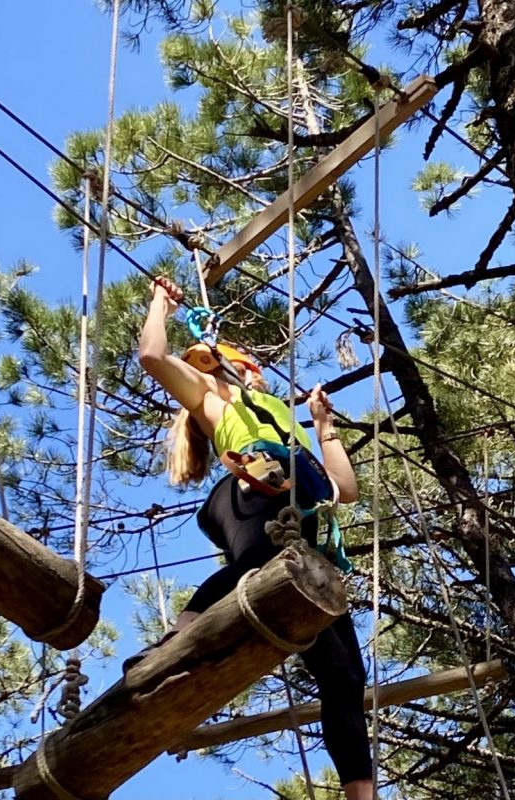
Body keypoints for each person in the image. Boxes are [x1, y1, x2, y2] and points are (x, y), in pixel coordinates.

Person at [131, 276, 375, 800]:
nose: (254, 371)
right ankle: (177, 638)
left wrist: (323, 427)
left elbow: (344, 491)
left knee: (346, 677)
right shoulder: (214, 399)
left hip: (302, 514)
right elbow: (152, 355)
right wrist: (161, 305)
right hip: (249, 486)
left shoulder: (290, 427)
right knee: (258, 560)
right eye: (245, 363)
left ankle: (362, 793)